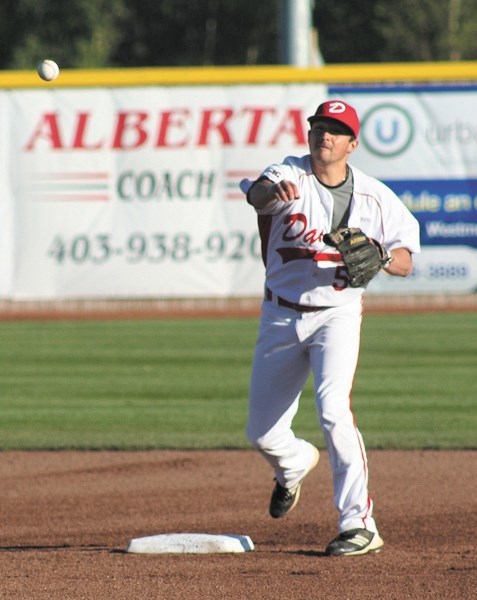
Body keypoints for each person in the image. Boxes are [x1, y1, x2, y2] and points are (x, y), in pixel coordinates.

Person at [242, 99, 420, 556]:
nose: (325, 135)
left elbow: (406, 259)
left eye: (336, 130)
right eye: (320, 126)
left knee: (333, 411)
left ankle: (358, 523)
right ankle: (295, 463)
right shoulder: (289, 175)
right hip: (280, 315)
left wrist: (381, 257)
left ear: (352, 144)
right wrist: (268, 194)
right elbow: (257, 194)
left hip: (337, 314)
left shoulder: (375, 197)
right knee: (263, 434)